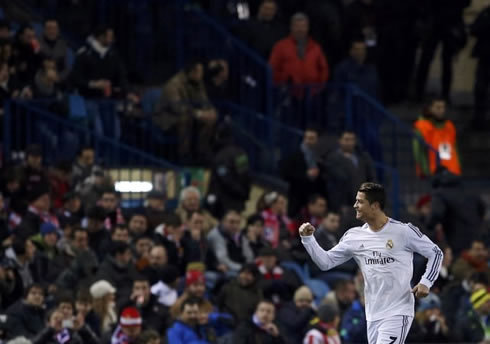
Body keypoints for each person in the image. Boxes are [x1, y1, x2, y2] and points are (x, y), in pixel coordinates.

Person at [299, 182, 444, 344]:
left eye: (360, 201)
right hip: (373, 313)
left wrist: (426, 281)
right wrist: (308, 240)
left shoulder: (403, 231)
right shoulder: (354, 236)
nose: (355, 205)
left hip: (398, 311)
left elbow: (436, 253)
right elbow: (325, 262)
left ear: (375, 205)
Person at [154, 60, 217, 163]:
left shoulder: (198, 83)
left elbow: (204, 102)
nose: (202, 75)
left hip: (190, 116)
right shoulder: (173, 85)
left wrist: (210, 111)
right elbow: (178, 108)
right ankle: (184, 156)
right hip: (168, 120)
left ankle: (202, 153)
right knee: (185, 119)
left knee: (210, 119)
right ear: (192, 72)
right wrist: (200, 114)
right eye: (200, 72)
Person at [269, 12, 329, 87]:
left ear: (307, 28)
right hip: (286, 92)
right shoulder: (280, 46)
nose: (300, 29)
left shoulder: (316, 47)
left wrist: (318, 87)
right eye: (297, 26)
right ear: (291, 27)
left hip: (311, 94)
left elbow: (323, 69)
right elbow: (273, 68)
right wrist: (283, 82)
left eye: (303, 26)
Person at [413, 97, 461, 177]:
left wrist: (458, 166)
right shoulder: (421, 126)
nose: (442, 110)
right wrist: (425, 171)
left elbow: (455, 149)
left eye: (443, 107)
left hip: (453, 173)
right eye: (438, 107)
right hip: (431, 175)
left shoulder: (449, 126)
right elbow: (418, 152)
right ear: (430, 109)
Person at [470, 4, 490, 129]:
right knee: (480, 88)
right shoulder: (486, 13)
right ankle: (479, 118)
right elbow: (474, 29)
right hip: (485, 56)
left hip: (485, 55)